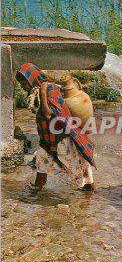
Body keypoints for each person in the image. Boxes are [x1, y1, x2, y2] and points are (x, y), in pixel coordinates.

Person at [16, 62, 96, 191]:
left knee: (81, 170)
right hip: (47, 139)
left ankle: (91, 196)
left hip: (61, 138)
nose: (23, 87)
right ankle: (36, 194)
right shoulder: (35, 92)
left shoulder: (50, 89)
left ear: (32, 79)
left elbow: (48, 115)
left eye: (24, 83)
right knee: (41, 167)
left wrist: (42, 93)